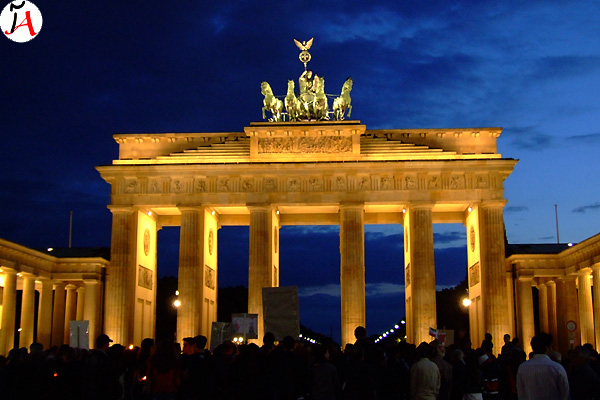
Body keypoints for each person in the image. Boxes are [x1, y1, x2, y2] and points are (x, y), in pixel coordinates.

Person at [516, 333, 569, 400]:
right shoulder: (557, 368)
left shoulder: (522, 368)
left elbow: (521, 393)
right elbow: (565, 393)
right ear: (547, 348)